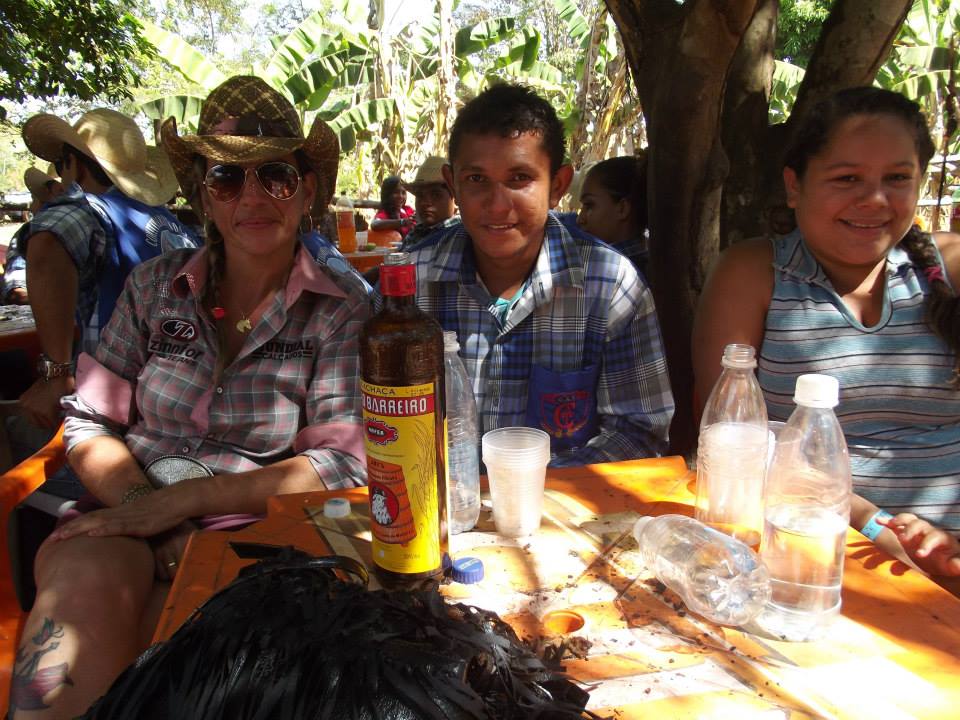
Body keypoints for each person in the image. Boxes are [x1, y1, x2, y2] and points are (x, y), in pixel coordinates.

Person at [9, 75, 370, 719]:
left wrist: (183, 505)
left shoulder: (341, 309)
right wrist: (149, 510)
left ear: (308, 190)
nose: (252, 197)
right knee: (83, 585)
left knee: (185, 638)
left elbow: (339, 463)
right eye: (226, 178)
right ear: (203, 193)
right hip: (128, 505)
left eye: (276, 175)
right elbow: (90, 421)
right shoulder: (153, 288)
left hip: (266, 528)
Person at [692, 86, 960, 577]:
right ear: (794, 186)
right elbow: (726, 441)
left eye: (897, 178)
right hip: (814, 549)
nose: (874, 199)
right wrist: (872, 525)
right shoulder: (753, 273)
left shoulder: (950, 265)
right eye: (847, 178)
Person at [400, 83, 674, 466]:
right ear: (453, 185)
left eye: (519, 178)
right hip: (438, 498)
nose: (498, 206)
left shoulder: (611, 286)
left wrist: (527, 487)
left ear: (557, 186)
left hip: (556, 502)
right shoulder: (409, 286)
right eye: (476, 179)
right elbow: (372, 422)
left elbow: (638, 432)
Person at [17, 108, 197, 432]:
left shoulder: (90, 211)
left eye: (61, 163)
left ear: (74, 164)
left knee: (15, 429)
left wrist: (57, 372)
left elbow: (48, 242)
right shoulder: (171, 225)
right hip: (178, 399)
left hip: (113, 406)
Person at [576, 154, 649, 275]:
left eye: (589, 205)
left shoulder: (601, 273)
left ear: (622, 209)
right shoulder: (651, 262)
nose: (580, 219)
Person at [2, 165, 62, 305]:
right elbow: (17, 292)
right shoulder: (29, 235)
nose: (32, 208)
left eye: (34, 200)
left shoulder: (32, 234)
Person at [402, 155, 459, 250]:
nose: (425, 203)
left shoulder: (461, 235)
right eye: (420, 195)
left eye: (436, 195)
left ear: (455, 198)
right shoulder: (414, 234)